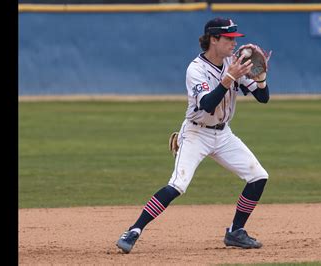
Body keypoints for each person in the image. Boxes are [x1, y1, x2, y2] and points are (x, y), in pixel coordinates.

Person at [116, 17, 271, 254]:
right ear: (213, 39)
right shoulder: (196, 69)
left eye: (234, 39)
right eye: (228, 38)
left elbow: (263, 98)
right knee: (178, 184)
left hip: (223, 134)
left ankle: (235, 232)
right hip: (196, 133)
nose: (233, 43)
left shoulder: (233, 62)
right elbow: (208, 104)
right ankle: (134, 230)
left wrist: (260, 79)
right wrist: (229, 77)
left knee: (258, 176)